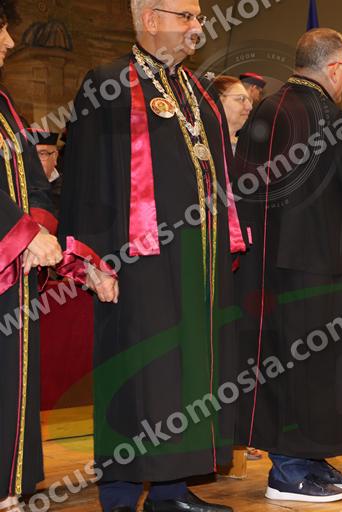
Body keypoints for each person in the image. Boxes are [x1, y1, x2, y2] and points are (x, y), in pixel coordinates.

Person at [58, 1, 246, 511]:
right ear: (150, 19)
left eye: (198, 16)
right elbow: (85, 178)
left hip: (196, 264)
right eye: (186, 16)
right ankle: (120, 496)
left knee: (185, 378)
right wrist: (93, 258)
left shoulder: (197, 90)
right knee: (139, 374)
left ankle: (171, 491)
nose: (197, 26)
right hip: (136, 264)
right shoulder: (108, 83)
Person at [232, 28, 342, 503]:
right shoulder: (325, 116)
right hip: (316, 268)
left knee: (294, 365)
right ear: (334, 68)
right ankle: (288, 470)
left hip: (269, 266)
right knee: (308, 369)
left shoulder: (269, 110)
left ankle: (308, 457)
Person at [0, 2, 63, 509]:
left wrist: (39, 226)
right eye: (0, 29)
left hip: (14, 265)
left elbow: (34, 181)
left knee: (14, 379)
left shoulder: (5, 104)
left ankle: (10, 483)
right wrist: (21, 232)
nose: (9, 41)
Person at [212, 75, 253, 150]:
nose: (250, 107)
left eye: (249, 100)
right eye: (241, 98)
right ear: (217, 101)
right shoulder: (204, 146)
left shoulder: (248, 148)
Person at [35, 131, 62, 217]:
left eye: (42, 154)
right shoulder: (20, 189)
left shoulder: (68, 189)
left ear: (55, 156)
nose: (36, 161)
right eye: (31, 155)